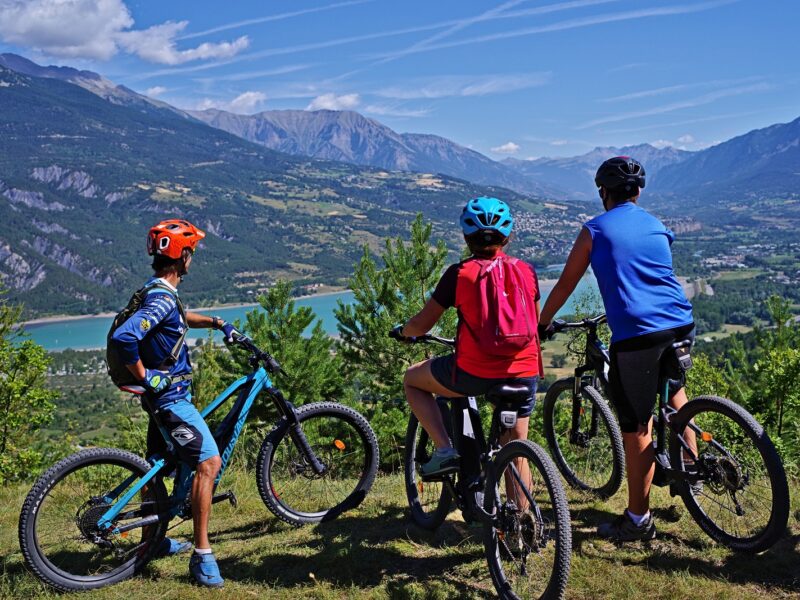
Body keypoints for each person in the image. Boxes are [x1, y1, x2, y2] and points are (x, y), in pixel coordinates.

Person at [538, 157, 695, 542]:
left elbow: (565, 285)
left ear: (603, 193)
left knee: (636, 425)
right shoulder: (657, 225)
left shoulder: (594, 229)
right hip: (680, 323)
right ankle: (693, 473)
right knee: (674, 394)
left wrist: (543, 321)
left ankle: (638, 520)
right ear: (638, 192)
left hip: (638, 334)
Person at [111, 219, 241, 588]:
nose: (193, 257)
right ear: (182, 256)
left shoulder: (158, 291)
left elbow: (178, 320)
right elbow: (126, 335)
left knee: (157, 466)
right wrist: (145, 375)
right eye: (192, 252)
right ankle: (202, 556)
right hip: (169, 400)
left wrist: (217, 323)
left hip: (162, 400)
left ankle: (151, 540)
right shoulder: (162, 296)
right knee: (209, 462)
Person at [394, 197, 543, 479]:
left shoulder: (459, 274)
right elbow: (534, 322)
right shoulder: (527, 271)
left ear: (466, 236)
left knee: (412, 380)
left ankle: (444, 450)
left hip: (474, 373)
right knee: (515, 448)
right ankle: (521, 520)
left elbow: (422, 325)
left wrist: (403, 331)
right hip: (524, 372)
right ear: (507, 236)